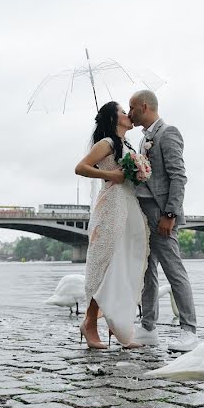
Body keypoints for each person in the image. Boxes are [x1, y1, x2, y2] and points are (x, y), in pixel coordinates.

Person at [74, 101, 150, 349]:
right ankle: (89, 322)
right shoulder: (106, 143)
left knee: (123, 264)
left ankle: (118, 326)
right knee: (106, 263)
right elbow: (81, 167)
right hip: (111, 206)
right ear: (112, 118)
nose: (127, 114)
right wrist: (112, 175)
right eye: (121, 110)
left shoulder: (127, 145)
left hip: (128, 204)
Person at [128, 90, 199, 352]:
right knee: (147, 272)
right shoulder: (144, 138)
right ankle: (148, 327)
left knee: (174, 271)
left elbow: (178, 176)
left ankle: (189, 331)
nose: (129, 112)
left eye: (132, 107)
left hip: (160, 215)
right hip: (143, 214)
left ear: (144, 107)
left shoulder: (168, 133)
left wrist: (170, 214)